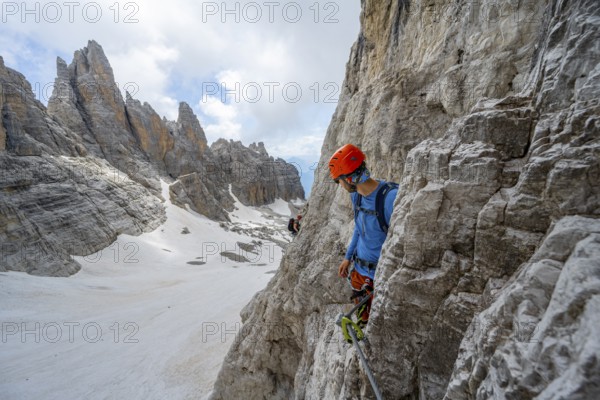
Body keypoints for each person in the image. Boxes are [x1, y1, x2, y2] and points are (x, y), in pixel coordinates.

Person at [328, 144, 398, 328]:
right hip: (359, 272)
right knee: (363, 320)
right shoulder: (356, 196)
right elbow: (359, 228)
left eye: (338, 181)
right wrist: (347, 257)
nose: (339, 185)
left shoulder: (390, 198)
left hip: (379, 277)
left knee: (377, 327)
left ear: (349, 178)